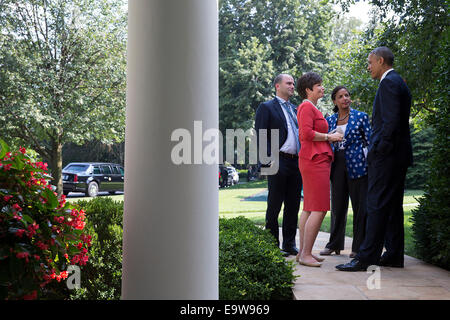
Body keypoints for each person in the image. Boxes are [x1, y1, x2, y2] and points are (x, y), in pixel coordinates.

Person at [336, 46, 413, 271]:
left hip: (387, 158)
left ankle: (365, 258)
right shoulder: (398, 81)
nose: (368, 67)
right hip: (398, 157)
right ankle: (394, 255)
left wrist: (377, 150)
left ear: (381, 61)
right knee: (392, 206)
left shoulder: (389, 82)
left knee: (376, 204)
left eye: (370, 63)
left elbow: (389, 123)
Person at [295, 72, 343, 267]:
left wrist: (327, 135)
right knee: (320, 208)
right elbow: (306, 134)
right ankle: (305, 253)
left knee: (308, 207)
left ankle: (303, 253)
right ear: (308, 90)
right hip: (315, 161)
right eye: (319, 85)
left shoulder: (310, 107)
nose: (323, 88)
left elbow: (311, 133)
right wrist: (329, 137)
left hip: (313, 159)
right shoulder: (306, 106)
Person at [319, 86, 371, 258]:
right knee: (338, 207)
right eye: (340, 96)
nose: (345, 99)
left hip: (357, 166)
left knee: (360, 207)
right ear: (335, 101)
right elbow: (326, 142)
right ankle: (334, 244)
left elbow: (370, 142)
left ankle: (358, 247)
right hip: (337, 165)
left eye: (347, 95)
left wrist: (369, 163)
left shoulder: (361, 117)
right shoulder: (330, 120)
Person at [255, 74, 303, 256]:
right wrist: (268, 160)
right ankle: (272, 245)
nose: (292, 86)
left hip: (295, 162)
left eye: (293, 83)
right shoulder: (266, 107)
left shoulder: (295, 109)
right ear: (277, 86)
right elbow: (260, 135)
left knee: (293, 205)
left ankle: (289, 244)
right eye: (288, 83)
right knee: (274, 204)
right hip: (277, 160)